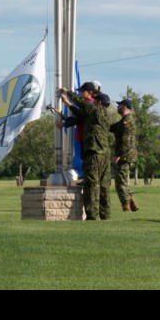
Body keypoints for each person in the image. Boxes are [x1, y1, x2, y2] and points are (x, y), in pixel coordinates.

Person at [60, 86, 113, 220]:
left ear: (99, 103)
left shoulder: (95, 110)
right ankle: (105, 215)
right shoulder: (103, 115)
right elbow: (81, 114)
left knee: (91, 184)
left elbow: (82, 103)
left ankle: (92, 216)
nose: (93, 102)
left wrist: (68, 93)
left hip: (94, 153)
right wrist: (68, 104)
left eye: (95, 100)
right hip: (105, 154)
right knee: (104, 185)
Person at [111, 98, 140, 213]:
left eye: (120, 105)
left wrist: (119, 155)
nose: (117, 107)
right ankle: (133, 203)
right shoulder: (123, 120)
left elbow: (126, 140)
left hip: (125, 156)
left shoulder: (127, 121)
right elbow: (111, 127)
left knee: (119, 183)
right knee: (122, 181)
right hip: (125, 156)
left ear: (125, 107)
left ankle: (126, 207)